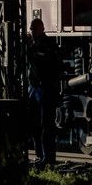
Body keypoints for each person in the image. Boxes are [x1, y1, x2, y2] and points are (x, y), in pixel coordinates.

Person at [28, 18, 62, 168]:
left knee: (46, 124)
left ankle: (47, 157)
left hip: (45, 89)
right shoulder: (32, 45)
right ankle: (40, 155)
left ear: (41, 29)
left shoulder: (49, 46)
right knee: (35, 124)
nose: (32, 32)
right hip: (35, 88)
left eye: (34, 30)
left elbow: (56, 67)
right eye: (31, 30)